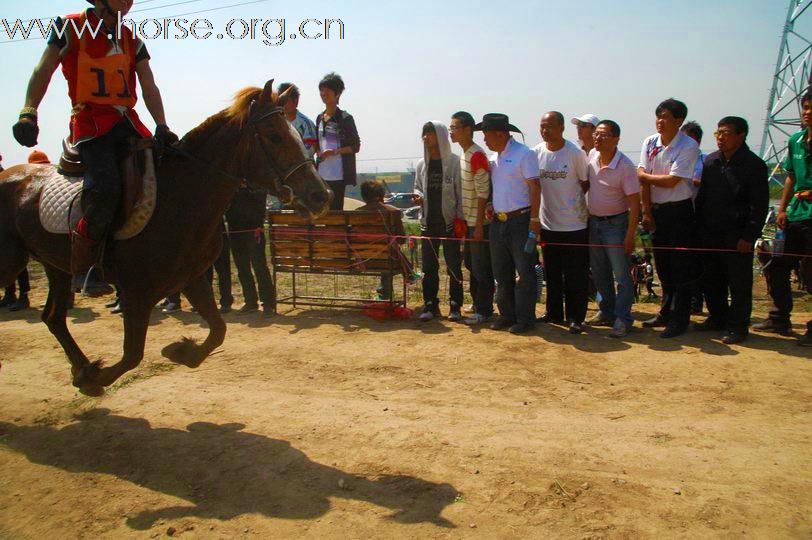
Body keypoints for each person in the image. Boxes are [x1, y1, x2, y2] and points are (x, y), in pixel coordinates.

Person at [12, 0, 177, 297]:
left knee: (169, 175)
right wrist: (28, 111)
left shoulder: (132, 39)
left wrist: (162, 125)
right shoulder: (69, 27)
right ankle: (85, 267)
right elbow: (43, 69)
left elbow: (149, 85)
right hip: (91, 125)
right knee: (106, 188)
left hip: (128, 123)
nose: (127, 3)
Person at [694, 117, 769, 344]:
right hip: (711, 232)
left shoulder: (753, 165)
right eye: (718, 133)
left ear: (741, 135)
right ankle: (717, 317)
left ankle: (738, 326)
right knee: (711, 279)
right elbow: (703, 197)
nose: (720, 138)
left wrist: (749, 236)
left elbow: (759, 206)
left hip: (737, 235)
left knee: (738, 283)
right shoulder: (711, 162)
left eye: (726, 133)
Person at [638, 98, 700, 338]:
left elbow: (673, 180)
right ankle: (665, 312)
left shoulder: (688, 145)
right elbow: (643, 178)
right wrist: (646, 211)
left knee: (681, 268)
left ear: (679, 120)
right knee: (663, 265)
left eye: (665, 117)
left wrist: (647, 177)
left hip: (679, 211)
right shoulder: (650, 142)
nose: (660, 121)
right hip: (657, 210)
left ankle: (680, 318)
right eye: (658, 116)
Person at [753, 90, 812, 346]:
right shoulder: (797, 140)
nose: (807, 112)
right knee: (776, 264)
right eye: (805, 107)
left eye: (811, 108)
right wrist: (782, 209)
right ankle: (779, 318)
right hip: (795, 213)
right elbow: (789, 176)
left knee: (811, 272)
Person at [477, 113, 540, 334]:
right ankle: (506, 314)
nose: (484, 140)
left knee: (524, 272)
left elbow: (534, 187)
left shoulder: (525, 154)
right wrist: (491, 205)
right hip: (499, 221)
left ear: (501, 133)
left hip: (521, 220)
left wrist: (534, 219)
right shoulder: (494, 158)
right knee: (501, 271)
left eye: (486, 134)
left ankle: (525, 318)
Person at [535, 112, 590, 334]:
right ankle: (554, 313)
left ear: (561, 128)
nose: (545, 130)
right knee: (553, 274)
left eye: (549, 126)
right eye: (542, 126)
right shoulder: (536, 153)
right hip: (548, 225)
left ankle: (576, 317)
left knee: (575, 275)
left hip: (574, 226)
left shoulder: (575, 154)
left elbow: (585, 184)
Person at [585, 120, 641, 338]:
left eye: (604, 135)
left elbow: (634, 203)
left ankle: (624, 318)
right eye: (596, 134)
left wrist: (630, 234)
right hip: (594, 222)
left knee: (621, 275)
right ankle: (606, 311)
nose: (598, 138)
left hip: (616, 225)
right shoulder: (591, 156)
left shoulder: (625, 166)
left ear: (617, 139)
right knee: (599, 272)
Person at [413, 122, 464, 322]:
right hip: (428, 223)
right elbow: (417, 186)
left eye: (430, 134)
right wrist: (417, 196)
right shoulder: (421, 164)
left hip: (449, 223)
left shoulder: (454, 163)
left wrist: (459, 220)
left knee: (453, 267)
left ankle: (455, 305)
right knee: (429, 268)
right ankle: (430, 305)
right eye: (424, 134)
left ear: (441, 136)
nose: (426, 138)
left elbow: (460, 194)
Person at [449, 111, 495, 325]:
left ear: (468, 130)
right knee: (471, 263)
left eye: (455, 127)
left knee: (480, 267)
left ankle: (484, 309)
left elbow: (483, 194)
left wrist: (478, 226)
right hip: (468, 222)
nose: (451, 132)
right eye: (451, 128)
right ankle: (478, 304)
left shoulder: (477, 155)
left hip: (479, 224)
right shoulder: (463, 155)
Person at [356, 180, 409, 299]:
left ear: (364, 196)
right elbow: (402, 239)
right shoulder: (392, 212)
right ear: (381, 196)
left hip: (361, 260)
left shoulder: (356, 213)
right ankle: (407, 276)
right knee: (389, 253)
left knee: (385, 252)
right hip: (386, 260)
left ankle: (384, 293)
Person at [227, 186, 275, 316]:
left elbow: (258, 207)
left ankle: (268, 303)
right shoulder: (231, 186)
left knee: (260, 267)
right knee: (242, 268)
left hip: (253, 231)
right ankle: (250, 301)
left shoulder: (256, 186)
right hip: (235, 230)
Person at [315, 73, 360, 211]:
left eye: (327, 90)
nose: (324, 93)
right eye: (321, 90)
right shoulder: (319, 118)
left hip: (338, 175)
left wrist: (334, 152)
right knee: (321, 211)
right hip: (321, 175)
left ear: (337, 93)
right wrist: (318, 151)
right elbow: (318, 142)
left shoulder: (345, 118)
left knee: (335, 212)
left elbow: (355, 146)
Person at [681, 121, 706, 315]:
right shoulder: (676, 157)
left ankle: (696, 301)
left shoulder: (706, 161)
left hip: (699, 215)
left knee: (697, 261)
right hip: (679, 215)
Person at [277, 82, 317, 160]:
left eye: (286, 101)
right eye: (281, 101)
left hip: (303, 168)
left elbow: (311, 148)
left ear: (296, 101)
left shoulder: (306, 123)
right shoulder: (277, 122)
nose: (283, 105)